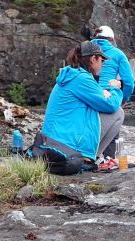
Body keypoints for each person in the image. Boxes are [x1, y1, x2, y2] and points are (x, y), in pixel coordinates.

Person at [28, 41, 123, 175]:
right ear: (93, 59)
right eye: (101, 60)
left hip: (52, 140)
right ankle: (91, 158)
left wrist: (103, 93)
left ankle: (90, 157)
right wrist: (115, 88)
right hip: (64, 142)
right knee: (118, 112)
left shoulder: (72, 76)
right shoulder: (82, 79)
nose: (103, 64)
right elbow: (110, 105)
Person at [91, 25, 135, 162]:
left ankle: (91, 158)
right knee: (112, 134)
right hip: (108, 96)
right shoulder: (117, 53)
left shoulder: (85, 51)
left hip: (88, 96)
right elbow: (129, 82)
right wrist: (123, 99)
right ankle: (108, 161)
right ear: (111, 39)